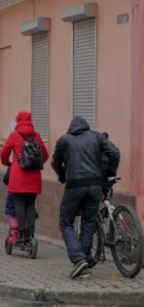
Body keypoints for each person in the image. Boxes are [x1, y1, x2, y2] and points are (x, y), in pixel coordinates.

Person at [52, 116, 120, 279]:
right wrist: (109, 173)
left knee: (66, 222)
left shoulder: (64, 140)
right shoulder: (97, 136)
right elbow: (115, 153)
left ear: (71, 128)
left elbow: (55, 163)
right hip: (95, 185)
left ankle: (78, 258)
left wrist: (63, 177)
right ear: (86, 126)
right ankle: (85, 258)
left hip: (74, 185)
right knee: (89, 221)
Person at [0, 111, 49, 246]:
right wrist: (34, 164)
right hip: (34, 178)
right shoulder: (36, 136)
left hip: (18, 178)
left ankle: (21, 235)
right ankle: (31, 235)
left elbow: (4, 153)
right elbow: (45, 155)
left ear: (17, 121)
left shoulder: (14, 136)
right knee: (30, 206)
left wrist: (7, 162)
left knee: (19, 205)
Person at [4, 164, 19, 244]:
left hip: (14, 191)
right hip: (29, 193)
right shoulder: (33, 164)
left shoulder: (14, 165)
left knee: (13, 214)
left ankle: (14, 234)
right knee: (27, 212)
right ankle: (27, 233)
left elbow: (5, 179)